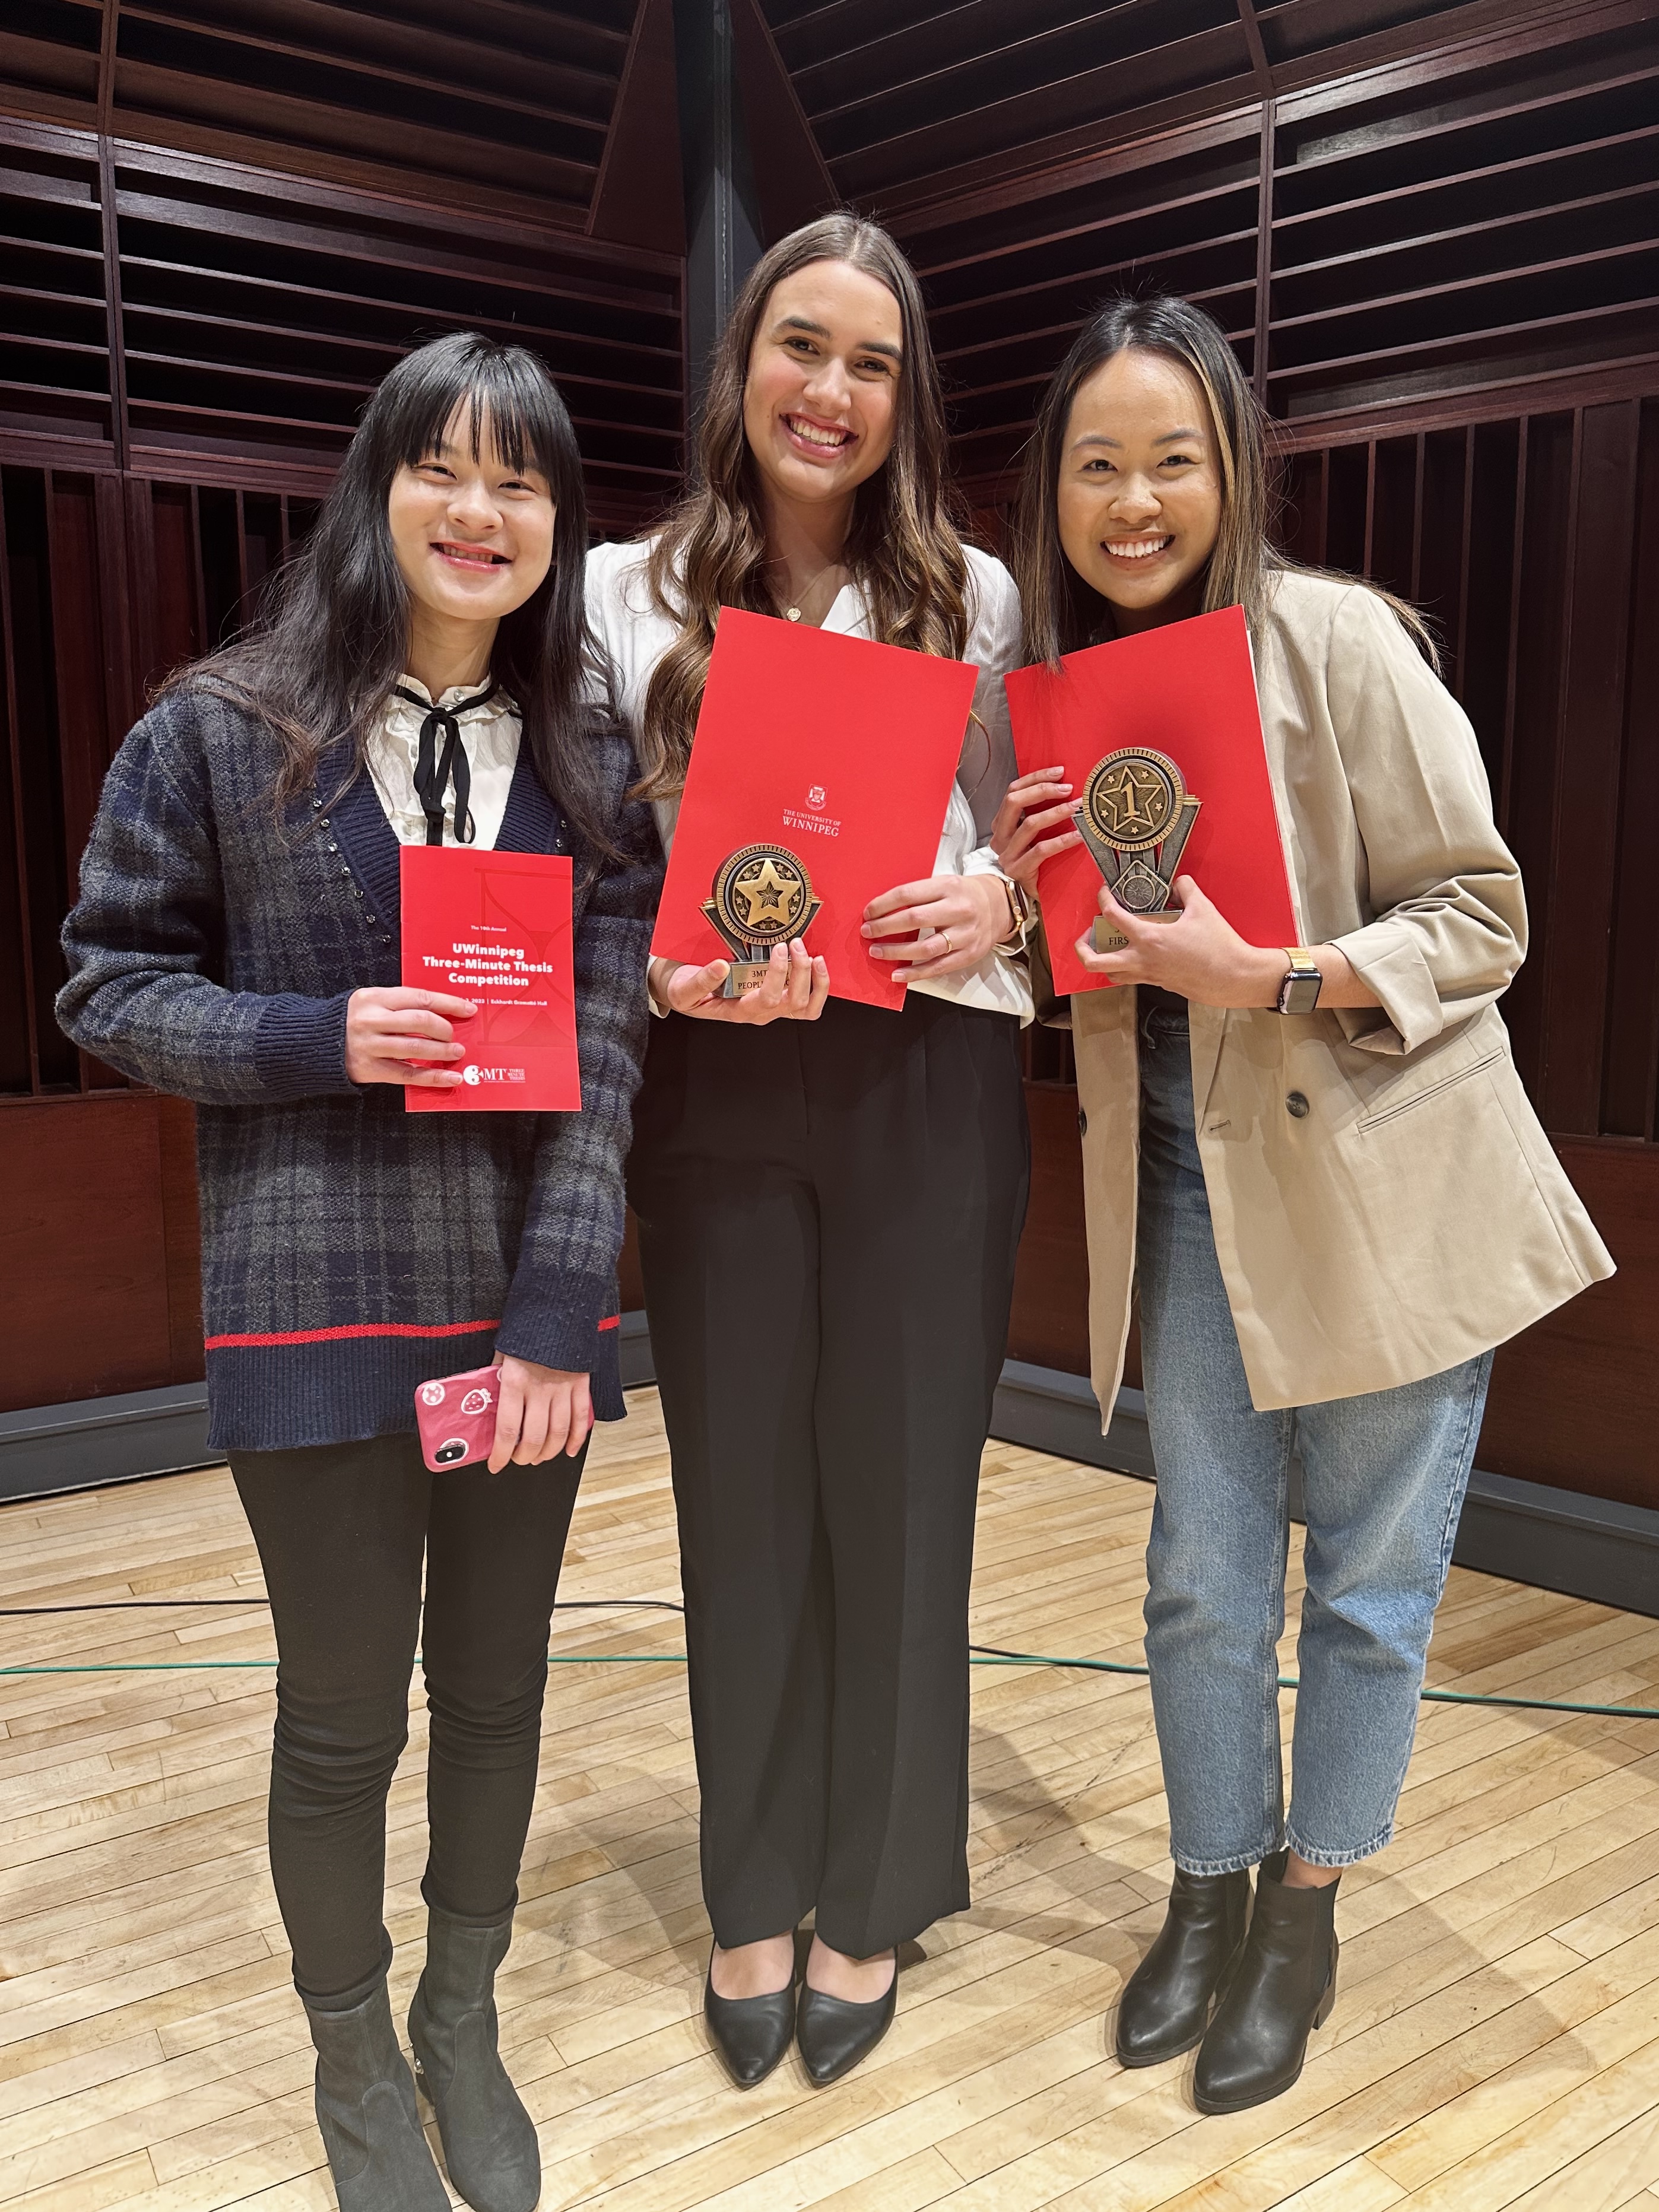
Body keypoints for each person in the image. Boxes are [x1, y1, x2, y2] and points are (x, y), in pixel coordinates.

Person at [58, 332, 661, 2212]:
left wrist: (564, 1317)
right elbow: (107, 987)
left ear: (559, 525)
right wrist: (320, 1033)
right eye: (445, 472)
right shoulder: (223, 729)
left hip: (519, 1323)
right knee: (343, 1714)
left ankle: (459, 2024)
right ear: (377, 487)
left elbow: (612, 1048)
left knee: (496, 1701)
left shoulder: (589, 751)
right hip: (314, 1301)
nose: (481, 515)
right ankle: (351, 2058)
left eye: (524, 484)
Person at [994, 294, 1613, 2116]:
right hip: (1190, 1194)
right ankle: (1202, 1891)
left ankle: (1308, 1902)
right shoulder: (1053, 695)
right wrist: (1042, 908)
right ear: (1052, 489)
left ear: (1231, 470)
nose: (1131, 502)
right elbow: (1099, 969)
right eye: (1095, 466)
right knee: (1196, 1579)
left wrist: (1262, 969)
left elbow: (1479, 917)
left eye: (1169, 461)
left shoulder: (1336, 640)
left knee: (1365, 1589)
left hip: (1378, 1186)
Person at [587, 212, 1032, 2090]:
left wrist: (995, 899)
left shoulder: (976, 593)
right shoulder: (618, 588)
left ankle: (871, 1897)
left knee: (907, 1493)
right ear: (740, 367)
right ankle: (752, 1883)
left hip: (927, 1076)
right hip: (716, 1081)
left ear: (903, 394)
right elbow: (596, 869)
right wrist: (668, 972)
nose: (829, 392)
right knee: (744, 1500)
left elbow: (1046, 828)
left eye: (868, 361)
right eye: (799, 346)